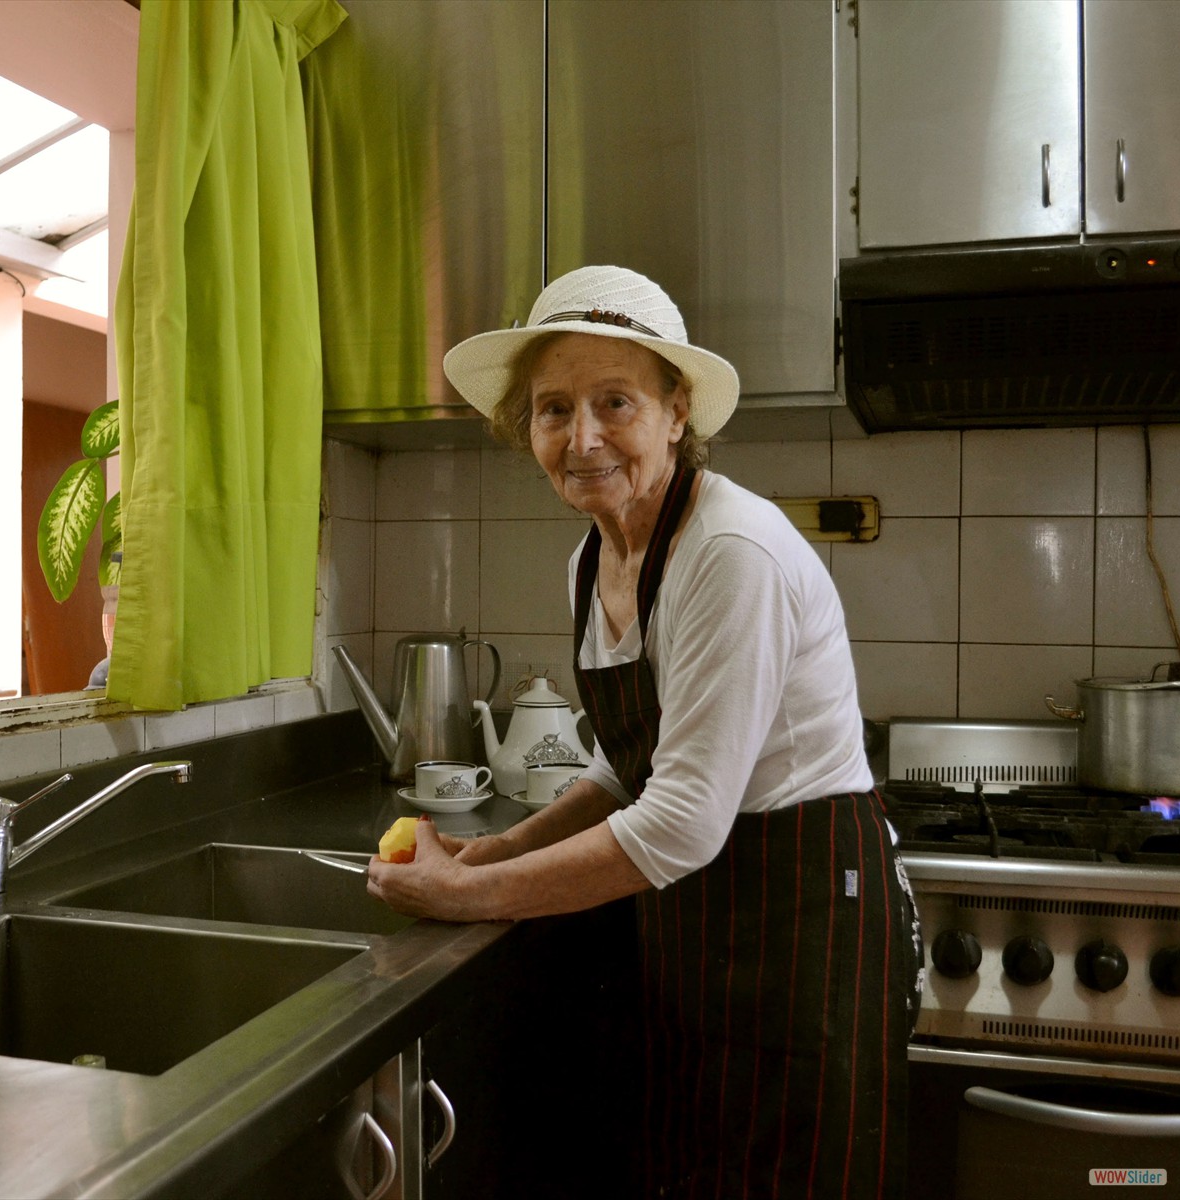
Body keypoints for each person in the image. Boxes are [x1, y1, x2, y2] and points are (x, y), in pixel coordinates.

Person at [367, 265, 922, 1199]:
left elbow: (682, 820)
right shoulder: (593, 559)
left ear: (677, 414)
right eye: (553, 409)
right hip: (700, 931)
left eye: (614, 402)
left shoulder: (729, 553)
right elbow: (627, 769)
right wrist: (493, 850)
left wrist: (470, 894)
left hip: (805, 928)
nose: (581, 438)